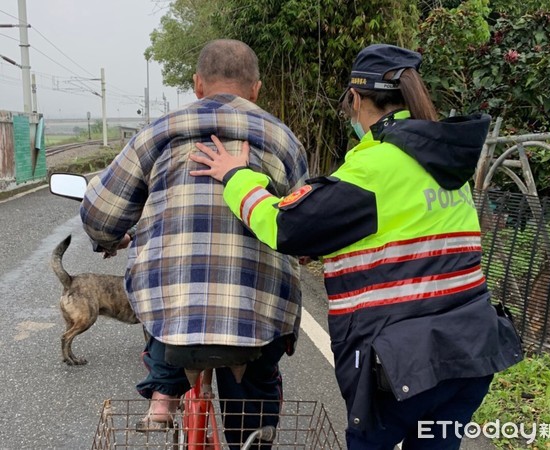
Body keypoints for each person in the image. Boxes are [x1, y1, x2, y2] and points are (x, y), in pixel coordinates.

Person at [189, 44, 524, 450]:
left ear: (356, 98)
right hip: (471, 349)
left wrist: (236, 176)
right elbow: (405, 236)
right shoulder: (446, 162)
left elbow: (284, 227)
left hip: (406, 364)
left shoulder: (376, 167)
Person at [79, 39, 308, 447]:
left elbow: (99, 216)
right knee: (253, 405)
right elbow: (306, 228)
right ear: (256, 89)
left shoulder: (158, 133)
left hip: (173, 314)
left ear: (197, 84)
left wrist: (112, 238)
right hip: (256, 315)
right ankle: (254, 437)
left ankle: (162, 400)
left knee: (163, 318)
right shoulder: (281, 139)